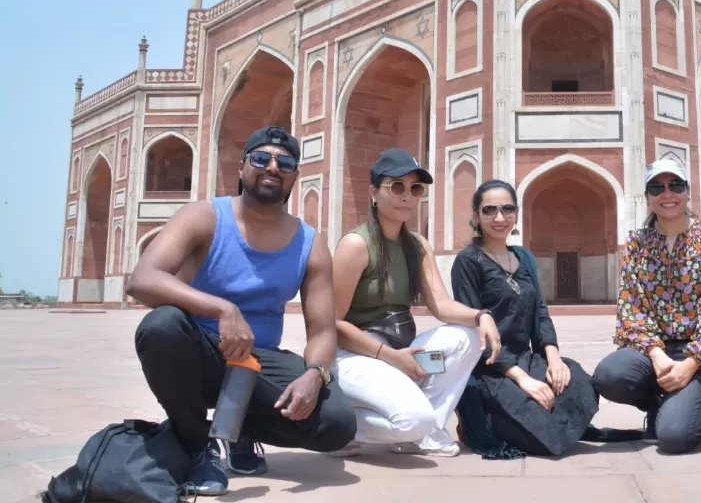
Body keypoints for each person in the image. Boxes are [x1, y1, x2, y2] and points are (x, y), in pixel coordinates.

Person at [127, 126, 356, 496]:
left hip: (255, 363)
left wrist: (315, 374)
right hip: (198, 351)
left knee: (337, 424)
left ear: (296, 176)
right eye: (261, 159)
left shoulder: (309, 244)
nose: (272, 168)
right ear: (242, 167)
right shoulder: (204, 217)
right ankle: (197, 443)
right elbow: (142, 279)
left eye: (285, 163)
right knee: (161, 326)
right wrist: (221, 308)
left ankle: (237, 428)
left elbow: (323, 331)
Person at [329, 148, 502, 457]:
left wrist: (481, 316)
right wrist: (390, 356)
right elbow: (330, 325)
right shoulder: (357, 245)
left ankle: (425, 434)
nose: (406, 195)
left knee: (466, 338)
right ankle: (335, 424)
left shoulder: (417, 245)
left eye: (415, 188)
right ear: (373, 193)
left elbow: (441, 305)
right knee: (412, 418)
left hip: (402, 354)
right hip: (355, 357)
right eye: (396, 186)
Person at [592, 158, 701, 454]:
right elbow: (631, 309)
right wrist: (657, 355)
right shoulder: (637, 242)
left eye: (676, 185)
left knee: (673, 438)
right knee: (609, 376)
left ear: (687, 193)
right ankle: (657, 404)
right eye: (657, 187)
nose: (667, 194)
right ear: (647, 197)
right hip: (653, 351)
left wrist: (690, 364)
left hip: (700, 356)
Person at [450, 179, 600, 458]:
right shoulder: (469, 261)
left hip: (525, 358)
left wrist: (553, 360)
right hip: (490, 367)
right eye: (489, 210)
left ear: (516, 214)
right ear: (476, 216)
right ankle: (487, 424)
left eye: (507, 209)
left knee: (577, 381)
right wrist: (523, 379)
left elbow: (540, 311)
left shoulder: (524, 258)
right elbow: (471, 328)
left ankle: (537, 423)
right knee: (532, 414)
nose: (499, 217)